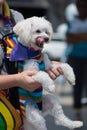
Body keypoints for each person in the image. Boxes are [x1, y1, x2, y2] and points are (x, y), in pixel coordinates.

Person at [0, 0, 62, 129]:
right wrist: (17, 80)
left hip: (19, 112)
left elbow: (28, 54)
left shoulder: (16, 17)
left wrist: (46, 65)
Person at [66, 0, 87, 120]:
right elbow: (69, 39)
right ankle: (78, 113)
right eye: (80, 5)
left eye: (85, 5)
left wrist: (77, 36)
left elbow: (73, 37)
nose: (82, 8)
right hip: (75, 57)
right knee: (77, 85)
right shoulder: (72, 21)